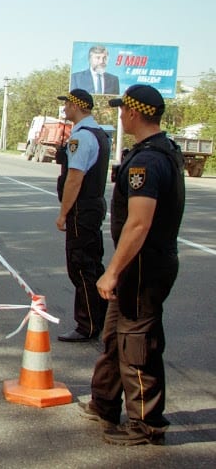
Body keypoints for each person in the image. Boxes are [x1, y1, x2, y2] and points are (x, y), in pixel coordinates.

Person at [82, 84, 185, 446]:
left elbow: (139, 222)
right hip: (138, 264)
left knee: (136, 343)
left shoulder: (147, 160)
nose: (121, 115)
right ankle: (104, 403)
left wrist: (112, 271)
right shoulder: (162, 151)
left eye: (123, 109)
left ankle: (146, 424)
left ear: (136, 113)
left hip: (144, 267)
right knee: (114, 337)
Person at [54, 88, 110, 342]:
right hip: (92, 206)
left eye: (67, 105)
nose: (64, 109)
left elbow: (74, 179)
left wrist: (64, 213)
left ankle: (86, 324)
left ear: (76, 106)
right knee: (93, 264)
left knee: (81, 266)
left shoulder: (82, 137)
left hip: (82, 208)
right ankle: (100, 318)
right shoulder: (97, 134)